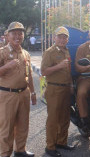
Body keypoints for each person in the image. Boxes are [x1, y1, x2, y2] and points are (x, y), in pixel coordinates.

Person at [0, 22, 36, 157]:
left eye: (20, 33)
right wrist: (6, 67)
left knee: (23, 124)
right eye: (14, 33)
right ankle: (5, 154)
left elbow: (30, 75)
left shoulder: (25, 53)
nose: (17, 36)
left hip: (24, 93)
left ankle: (20, 150)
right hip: (7, 94)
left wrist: (32, 92)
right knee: (7, 128)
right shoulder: (2, 52)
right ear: (8, 36)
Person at [41, 26, 74, 157]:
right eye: (59, 36)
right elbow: (44, 71)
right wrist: (59, 66)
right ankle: (50, 147)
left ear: (67, 39)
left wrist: (71, 84)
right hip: (54, 88)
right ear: (54, 38)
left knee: (65, 117)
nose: (62, 39)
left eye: (65, 37)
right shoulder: (49, 52)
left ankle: (61, 142)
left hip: (66, 88)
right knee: (53, 119)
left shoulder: (66, 51)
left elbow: (68, 70)